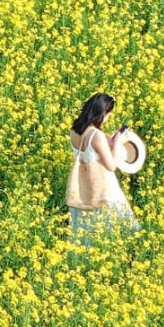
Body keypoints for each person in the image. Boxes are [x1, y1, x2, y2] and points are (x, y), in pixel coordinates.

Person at [65, 93, 138, 243]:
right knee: (115, 227)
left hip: (82, 188)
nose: (108, 118)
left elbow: (91, 148)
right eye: (109, 114)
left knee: (84, 232)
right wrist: (117, 143)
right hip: (102, 188)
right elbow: (111, 165)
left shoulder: (75, 130)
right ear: (103, 113)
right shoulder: (96, 135)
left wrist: (108, 142)